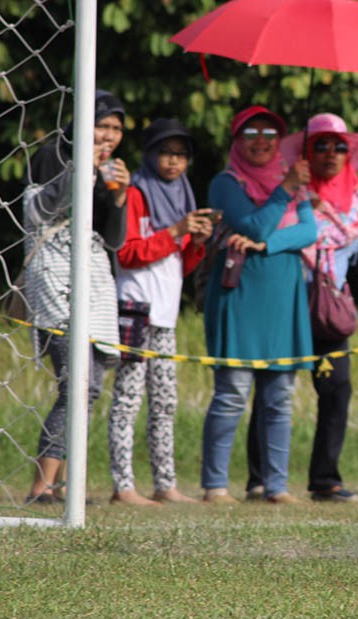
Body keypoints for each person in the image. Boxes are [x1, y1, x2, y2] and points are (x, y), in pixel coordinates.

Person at [245, 113, 358, 503]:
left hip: (328, 305)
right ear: (306, 150)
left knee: (336, 389)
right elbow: (266, 228)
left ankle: (325, 479)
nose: (331, 153)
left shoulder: (356, 194)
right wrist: (300, 198)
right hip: (286, 298)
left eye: (340, 146)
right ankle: (260, 478)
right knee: (273, 388)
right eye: (321, 145)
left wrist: (334, 264)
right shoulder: (287, 185)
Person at [200, 106, 317, 504]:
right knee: (232, 392)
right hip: (240, 296)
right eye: (251, 132)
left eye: (270, 132)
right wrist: (283, 190)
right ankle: (215, 485)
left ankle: (276, 485)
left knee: (279, 397)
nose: (262, 140)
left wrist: (268, 245)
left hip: (285, 299)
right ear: (236, 140)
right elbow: (251, 225)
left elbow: (308, 231)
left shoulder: (295, 181)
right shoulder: (225, 182)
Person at [22, 89, 130, 504]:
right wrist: (83, 169)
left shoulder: (112, 169)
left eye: (116, 128)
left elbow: (114, 239)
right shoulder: (53, 156)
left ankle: (65, 483)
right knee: (76, 385)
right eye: (102, 125)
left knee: (90, 389)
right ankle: (41, 486)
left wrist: (118, 196)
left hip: (97, 287)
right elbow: (39, 211)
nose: (108, 135)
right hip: (56, 283)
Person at [107, 118, 215, 506]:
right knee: (128, 399)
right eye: (166, 153)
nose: (174, 162)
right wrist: (175, 231)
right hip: (134, 308)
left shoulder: (182, 194)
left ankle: (165, 484)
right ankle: (123, 486)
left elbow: (180, 265)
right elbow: (127, 254)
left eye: (181, 154)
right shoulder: (135, 192)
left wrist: (197, 242)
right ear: (150, 154)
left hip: (166, 314)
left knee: (165, 401)